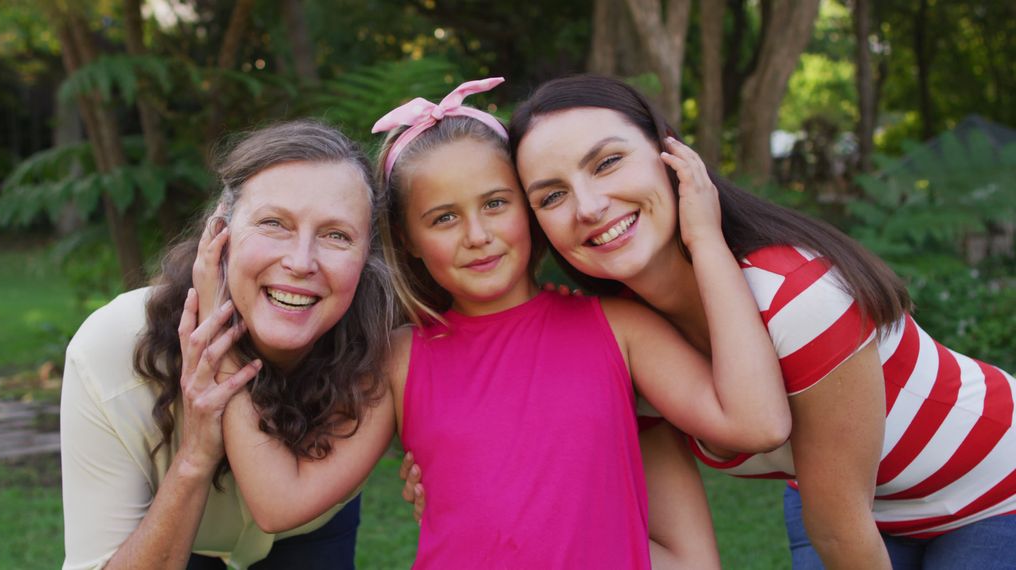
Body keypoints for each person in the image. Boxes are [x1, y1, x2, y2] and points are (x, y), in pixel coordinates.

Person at [226, 77, 790, 569]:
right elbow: (280, 503)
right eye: (443, 218)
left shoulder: (619, 329)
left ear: (529, 205)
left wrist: (706, 239)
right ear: (408, 241)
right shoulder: (400, 357)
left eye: (496, 203)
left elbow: (757, 423)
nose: (477, 235)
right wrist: (221, 336)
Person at [502, 74, 1016, 568]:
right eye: (551, 196)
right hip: (843, 503)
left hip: (995, 490)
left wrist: (705, 240)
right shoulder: (627, 344)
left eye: (608, 162)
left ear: (673, 157)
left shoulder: (796, 295)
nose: (588, 207)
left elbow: (841, 529)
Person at [59, 120, 397, 570]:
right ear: (220, 233)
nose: (300, 262)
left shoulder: (386, 350)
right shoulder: (112, 349)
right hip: (179, 531)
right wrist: (195, 459)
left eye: (337, 235)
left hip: (310, 523)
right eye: (274, 223)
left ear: (368, 255)